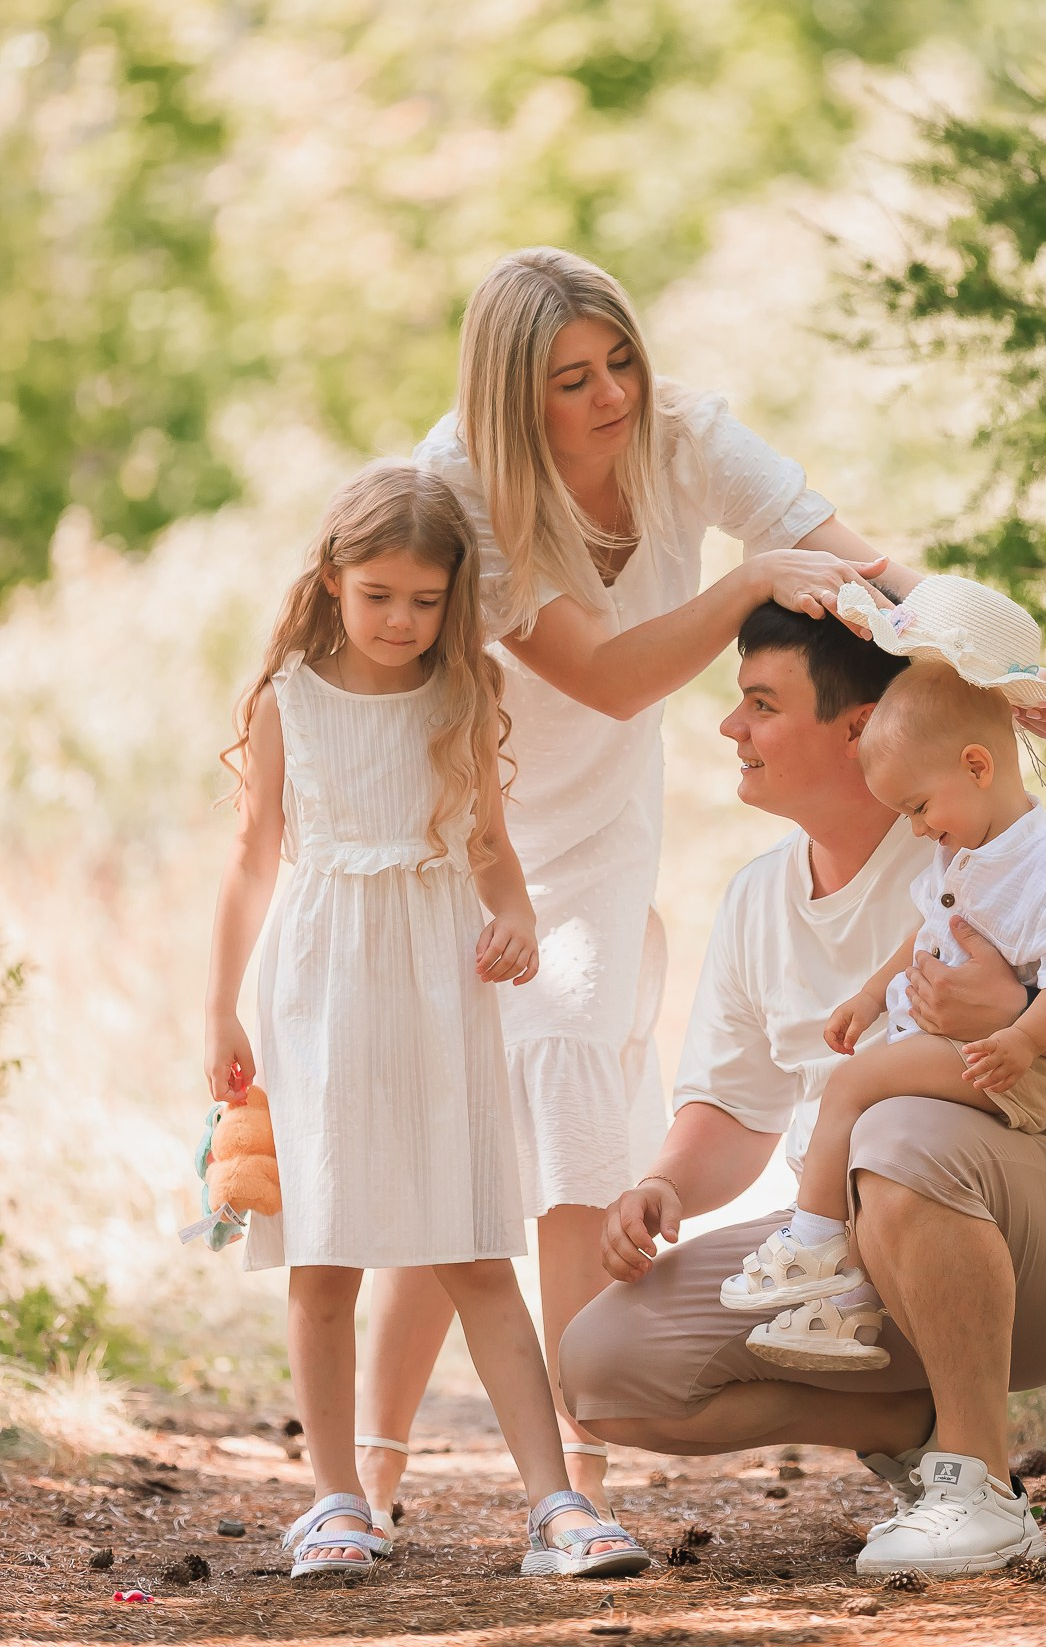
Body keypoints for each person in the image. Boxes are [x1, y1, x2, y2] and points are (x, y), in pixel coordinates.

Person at [354, 246, 1021, 1524]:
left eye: (621, 360)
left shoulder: (682, 434)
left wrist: (1002, 662)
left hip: (600, 828)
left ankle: (576, 1478)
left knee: (566, 1078)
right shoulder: (462, 487)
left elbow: (866, 565)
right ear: (509, 397)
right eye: (571, 380)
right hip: (461, 818)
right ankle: (367, 1478)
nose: (611, 395)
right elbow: (607, 676)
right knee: (456, 1130)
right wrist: (748, 579)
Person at [562, 600, 1046, 1579]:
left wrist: (1013, 1004)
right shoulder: (759, 895)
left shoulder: (991, 845)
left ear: (858, 726)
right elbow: (733, 1108)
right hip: (860, 1241)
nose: (731, 726)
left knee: (895, 1127)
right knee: (602, 1365)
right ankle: (926, 1429)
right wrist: (663, 1185)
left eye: (760, 703)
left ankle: (978, 1486)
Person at [202, 461, 649, 1581]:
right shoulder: (290, 702)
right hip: (321, 992)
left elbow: (490, 845)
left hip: (439, 987)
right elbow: (252, 862)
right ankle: (337, 1503)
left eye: (424, 599)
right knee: (324, 1257)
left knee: (473, 1245)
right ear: (333, 580)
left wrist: (517, 917)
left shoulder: (460, 697)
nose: (401, 619)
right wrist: (218, 1007)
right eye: (377, 595)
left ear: (453, 599)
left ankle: (554, 1506)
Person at [725, 578, 1046, 1372]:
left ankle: (810, 1244)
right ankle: (848, 1304)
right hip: (971, 1049)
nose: (914, 829)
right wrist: (871, 994)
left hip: (1010, 1067)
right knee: (876, 1121)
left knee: (853, 1087)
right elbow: (925, 933)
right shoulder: (970, 850)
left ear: (975, 765)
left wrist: (1020, 1036)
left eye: (916, 807)